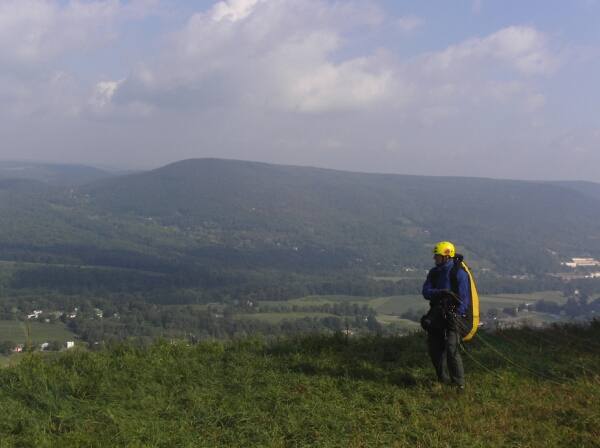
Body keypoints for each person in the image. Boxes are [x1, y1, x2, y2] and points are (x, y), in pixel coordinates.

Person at [421, 241, 471, 394]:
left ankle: (459, 384)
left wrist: (458, 315)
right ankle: (442, 380)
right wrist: (439, 292)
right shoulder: (434, 273)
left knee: (451, 348)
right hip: (437, 312)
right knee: (435, 348)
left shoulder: (459, 273)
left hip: (454, 315)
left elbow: (464, 297)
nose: (435, 258)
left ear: (446, 257)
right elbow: (426, 291)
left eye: (437, 256)